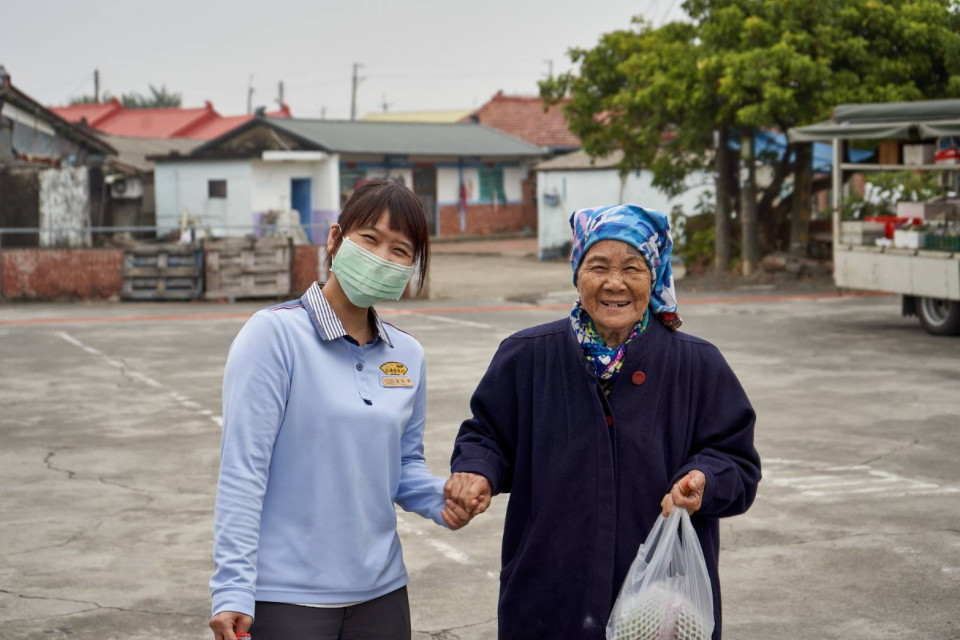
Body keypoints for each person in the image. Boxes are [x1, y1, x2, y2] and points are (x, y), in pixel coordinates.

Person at [446, 203, 761, 639]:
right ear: (577, 273)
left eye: (632, 267)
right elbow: (487, 435)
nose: (615, 283)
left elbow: (737, 461)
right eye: (598, 266)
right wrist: (476, 471)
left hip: (661, 612)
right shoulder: (528, 355)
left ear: (654, 276)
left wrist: (703, 480)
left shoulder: (697, 365)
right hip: (547, 604)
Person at [209, 180, 476, 640]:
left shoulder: (408, 354)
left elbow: (403, 464)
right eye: (370, 239)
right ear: (334, 240)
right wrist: (232, 588)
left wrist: (442, 498)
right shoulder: (273, 336)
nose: (381, 258)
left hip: (383, 595)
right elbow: (243, 471)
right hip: (288, 599)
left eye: (400, 250)